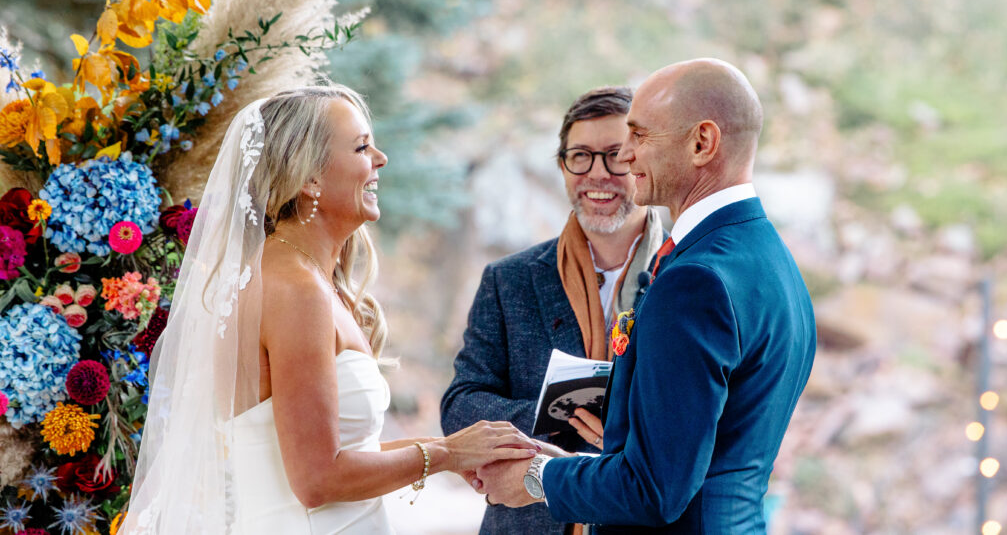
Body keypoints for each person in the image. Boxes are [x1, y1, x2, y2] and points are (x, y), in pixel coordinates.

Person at [122, 84, 538, 535]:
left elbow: (340, 449)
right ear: (309, 178)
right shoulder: (295, 290)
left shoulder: (299, 277)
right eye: (361, 147)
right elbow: (317, 479)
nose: (381, 159)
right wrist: (446, 455)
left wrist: (452, 449)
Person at [477, 59, 817, 533]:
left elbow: (654, 489)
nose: (627, 156)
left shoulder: (695, 282)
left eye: (639, 136)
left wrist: (538, 477)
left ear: (702, 143)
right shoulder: (770, 259)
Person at [441, 86, 665, 535]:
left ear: (642, 161)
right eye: (579, 156)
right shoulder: (510, 279)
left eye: (616, 155)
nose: (596, 174)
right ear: (562, 165)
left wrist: (624, 425)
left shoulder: (684, 276)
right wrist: (558, 421)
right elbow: (460, 405)